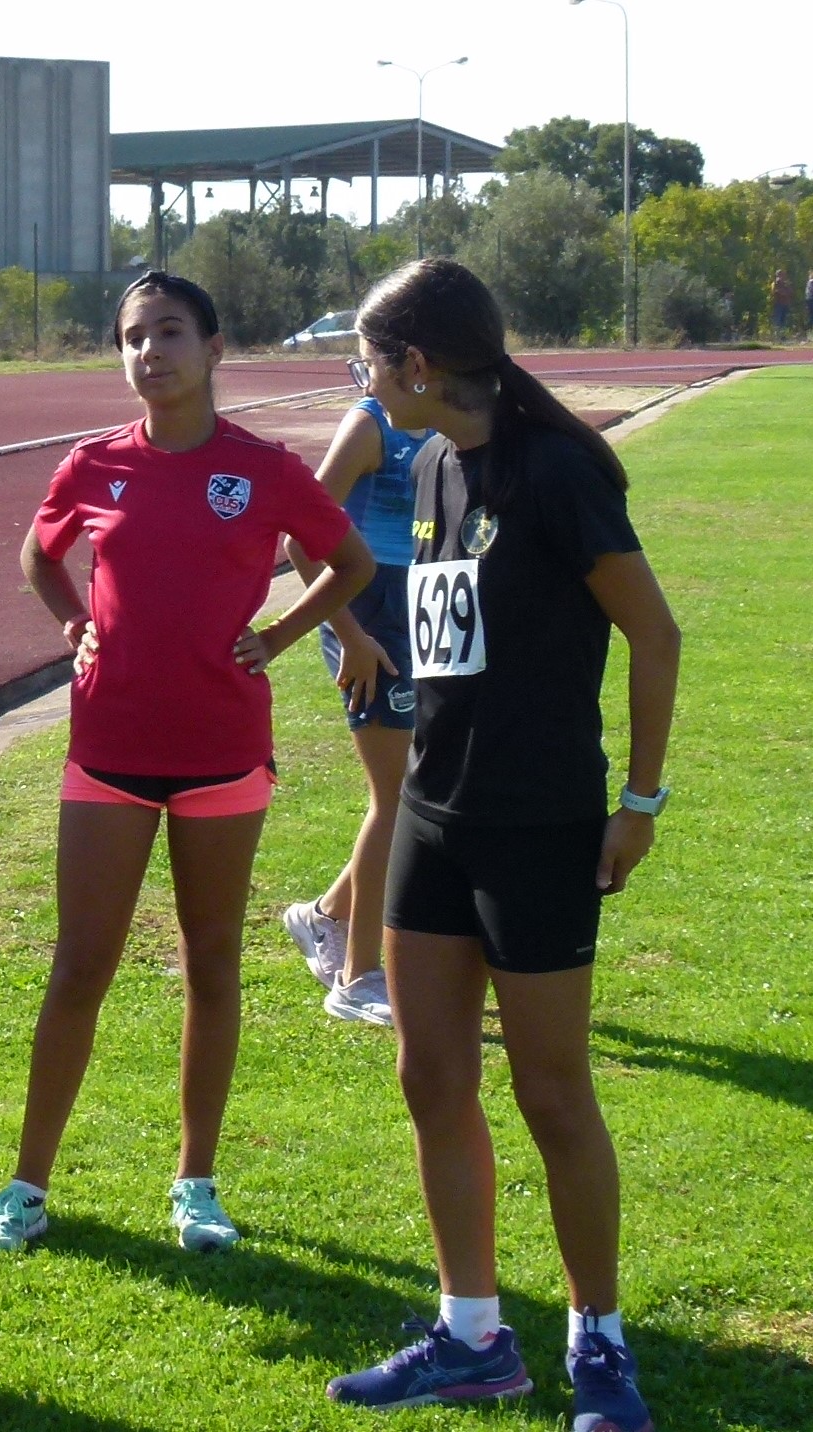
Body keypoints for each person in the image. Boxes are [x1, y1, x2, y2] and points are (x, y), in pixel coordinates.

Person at [326, 259, 678, 1432]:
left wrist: (638, 802)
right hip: (433, 819)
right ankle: (470, 1334)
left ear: (416, 363)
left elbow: (654, 635)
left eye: (369, 364)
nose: (364, 383)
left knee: (551, 1091)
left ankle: (599, 1345)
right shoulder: (430, 461)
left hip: (539, 826)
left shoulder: (556, 472)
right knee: (428, 1073)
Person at [0, 270, 373, 1259]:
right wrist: (71, 622)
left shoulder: (263, 468)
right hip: (107, 749)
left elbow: (349, 564)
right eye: (133, 336)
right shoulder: (93, 463)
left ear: (213, 347)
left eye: (171, 331)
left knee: (211, 962)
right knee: (78, 967)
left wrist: (277, 638)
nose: (151, 351)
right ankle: (25, 1188)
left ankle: (195, 1185)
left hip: (221, 754)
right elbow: (39, 555)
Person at [279, 392, 432, 1027]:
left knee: (417, 790)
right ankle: (357, 977)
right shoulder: (370, 426)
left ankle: (324, 917)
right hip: (370, 618)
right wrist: (352, 635)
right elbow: (302, 541)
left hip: (422, 605)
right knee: (394, 798)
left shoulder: (452, 414)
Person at [770, 268, 794, 341]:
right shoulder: (775, 283)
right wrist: (783, 293)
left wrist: (786, 291)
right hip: (778, 304)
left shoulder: (785, 284)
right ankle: (776, 336)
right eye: (780, 274)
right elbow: (774, 292)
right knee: (778, 320)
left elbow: (790, 292)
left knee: (784, 321)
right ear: (777, 275)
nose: (782, 276)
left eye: (783, 275)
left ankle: (782, 336)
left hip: (785, 304)